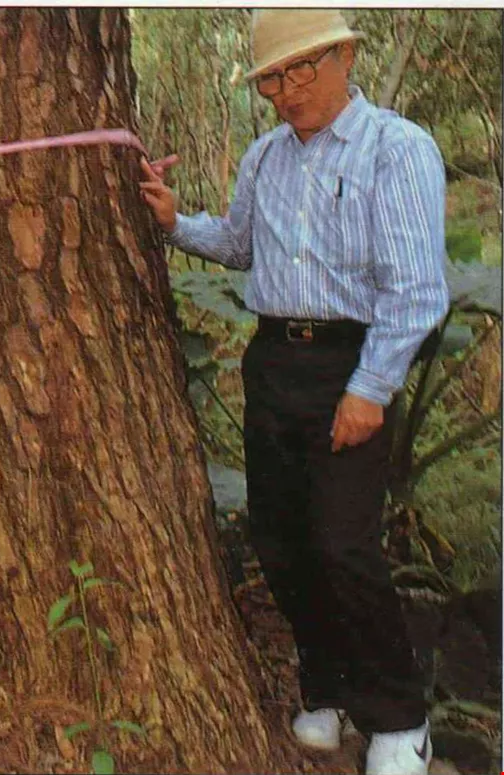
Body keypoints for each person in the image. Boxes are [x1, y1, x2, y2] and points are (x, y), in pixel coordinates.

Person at [138, 10, 448, 775]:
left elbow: (417, 289)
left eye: (301, 68)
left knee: (345, 544)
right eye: (271, 77)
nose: (286, 90)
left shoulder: (396, 149)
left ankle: (401, 720)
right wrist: (176, 223)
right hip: (275, 361)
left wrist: (371, 388)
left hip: (355, 361)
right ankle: (326, 689)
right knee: (281, 539)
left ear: (345, 56)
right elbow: (240, 244)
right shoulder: (264, 158)